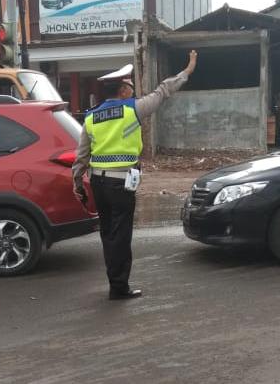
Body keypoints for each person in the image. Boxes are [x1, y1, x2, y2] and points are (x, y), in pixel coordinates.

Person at [72, 50, 198, 300]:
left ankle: (114, 281)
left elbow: (81, 157)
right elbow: (163, 91)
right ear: (121, 90)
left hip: (98, 182)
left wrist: (77, 184)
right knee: (121, 236)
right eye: (129, 86)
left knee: (108, 234)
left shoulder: (91, 116)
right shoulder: (133, 109)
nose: (132, 91)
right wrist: (187, 71)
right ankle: (119, 287)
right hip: (120, 186)